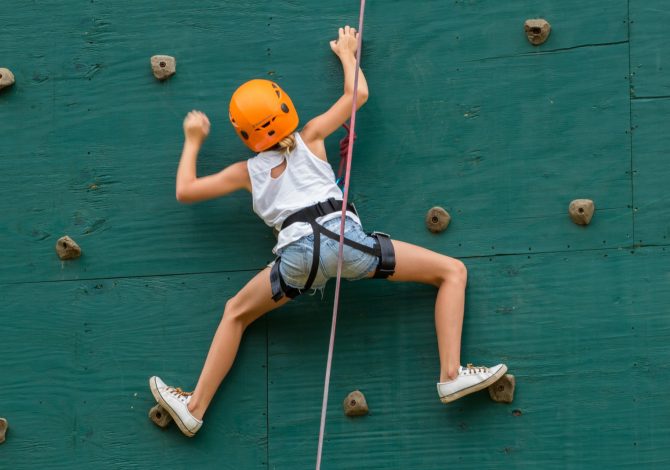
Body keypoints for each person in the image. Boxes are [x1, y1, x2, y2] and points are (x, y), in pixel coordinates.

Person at [149, 25, 507, 438]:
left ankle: (195, 407)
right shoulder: (311, 136)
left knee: (236, 313)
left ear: (245, 134)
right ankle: (450, 373)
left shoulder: (245, 173)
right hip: (345, 241)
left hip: (297, 261)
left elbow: (186, 190)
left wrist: (193, 140)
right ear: (284, 108)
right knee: (452, 272)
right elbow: (359, 96)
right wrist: (348, 54)